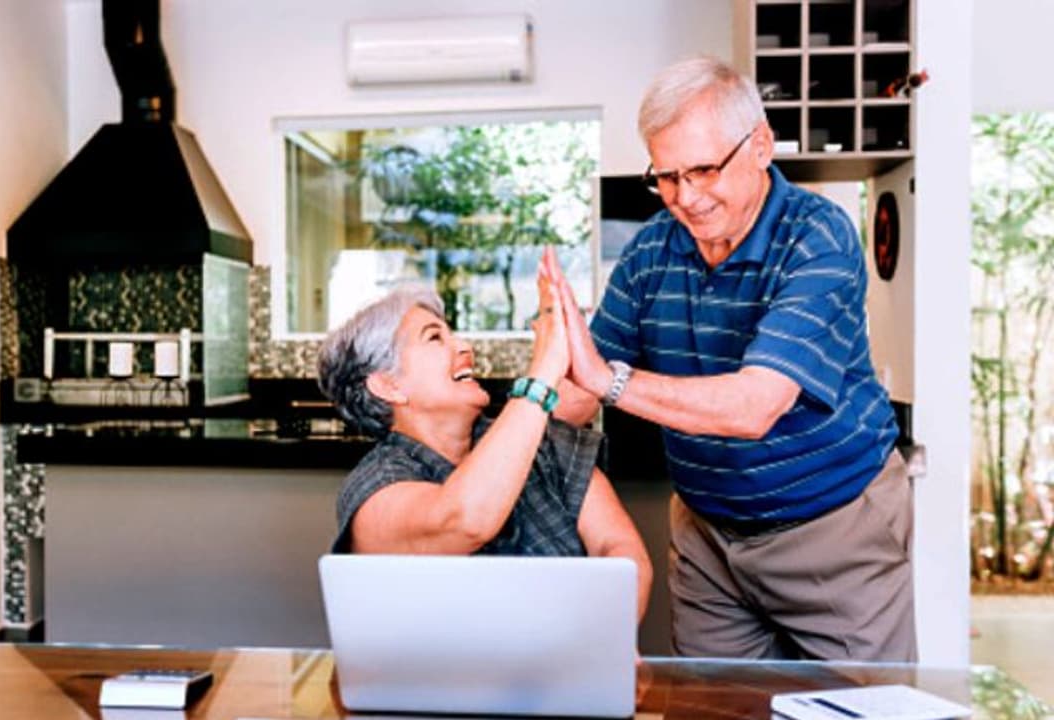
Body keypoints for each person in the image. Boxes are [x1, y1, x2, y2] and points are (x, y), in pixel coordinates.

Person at [549, 56, 915, 661]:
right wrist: (532, 384)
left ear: (762, 144)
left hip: (837, 528)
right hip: (707, 535)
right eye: (666, 177)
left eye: (703, 169)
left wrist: (607, 379)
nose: (685, 198)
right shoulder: (648, 254)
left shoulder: (816, 236)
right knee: (713, 706)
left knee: (863, 709)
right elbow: (576, 391)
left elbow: (753, 406)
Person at [317, 249, 652, 620]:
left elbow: (619, 549)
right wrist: (544, 369)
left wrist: (605, 635)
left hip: (562, 670)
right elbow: (464, 520)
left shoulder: (544, 440)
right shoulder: (375, 489)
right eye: (435, 339)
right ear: (387, 385)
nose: (464, 348)